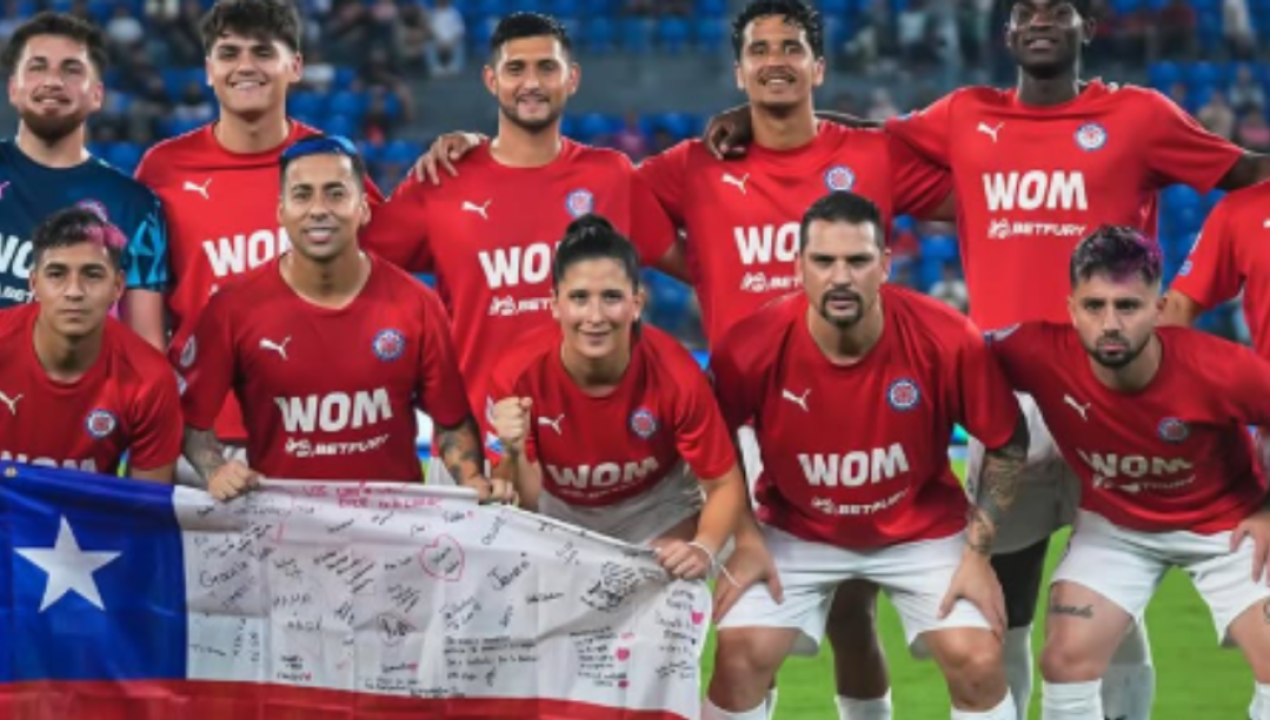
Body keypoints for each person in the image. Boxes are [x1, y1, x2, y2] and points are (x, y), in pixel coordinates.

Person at [700, 0, 1270, 715]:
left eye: (1057, 9)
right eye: (1025, 10)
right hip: (1007, 390)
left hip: (1110, 387)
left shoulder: (1140, 116)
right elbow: (863, 136)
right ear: (1007, 31)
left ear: (1087, 27)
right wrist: (753, 116)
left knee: (1110, 597)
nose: (1040, 19)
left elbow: (1245, 173)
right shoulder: (965, 114)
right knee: (1006, 599)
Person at [411, 4, 953, 712]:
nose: (776, 61)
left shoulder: (865, 158)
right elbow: (570, 200)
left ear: (818, 66)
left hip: (850, 410)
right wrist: (469, 150)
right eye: (760, 52)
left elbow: (972, 182)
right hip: (721, 421)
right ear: (739, 69)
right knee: (734, 633)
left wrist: (808, 115)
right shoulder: (689, 167)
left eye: (792, 50)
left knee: (846, 616)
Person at [705, 192, 1028, 720]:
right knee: (740, 657)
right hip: (796, 529)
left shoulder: (946, 337)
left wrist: (977, 556)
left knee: (977, 659)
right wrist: (745, 537)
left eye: (857, 260)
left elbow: (1007, 440)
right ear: (798, 267)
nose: (840, 277)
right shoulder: (750, 346)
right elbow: (710, 442)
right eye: (823, 261)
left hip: (922, 530)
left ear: (885, 265)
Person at [360, 12, 682, 485]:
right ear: (491, 80)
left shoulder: (611, 176)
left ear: (572, 79)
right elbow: (353, 253)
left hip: (597, 453)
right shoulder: (443, 180)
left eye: (547, 67)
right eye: (516, 69)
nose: (531, 83)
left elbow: (704, 265)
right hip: (474, 453)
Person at [987, 226, 1270, 720]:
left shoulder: (1222, 368)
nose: (1110, 323)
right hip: (1116, 529)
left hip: (1226, 527)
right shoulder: (1036, 351)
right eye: (1094, 306)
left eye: (1128, 306)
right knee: (1065, 658)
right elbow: (944, 357)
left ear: (1159, 310)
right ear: (1071, 308)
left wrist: (1267, 510)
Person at [134, 0, 385, 487]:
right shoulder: (161, 170)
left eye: (263, 52)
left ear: (296, 66)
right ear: (209, 70)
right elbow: (146, 314)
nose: (245, 66)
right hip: (202, 438)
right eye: (229, 53)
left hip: (322, 432)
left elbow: (393, 270)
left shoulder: (332, 165)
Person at [179, 136, 501, 503]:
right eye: (302, 195)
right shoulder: (232, 309)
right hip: (283, 525)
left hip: (393, 524)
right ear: (280, 212)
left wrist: (472, 479)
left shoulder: (417, 304)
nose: (319, 209)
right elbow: (190, 420)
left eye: (335, 194)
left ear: (363, 209)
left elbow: (451, 422)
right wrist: (215, 469)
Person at [489, 214, 749, 580]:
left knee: (685, 578)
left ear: (636, 303)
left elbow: (723, 484)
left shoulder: (677, 374)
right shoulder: (515, 373)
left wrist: (703, 547)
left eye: (611, 297)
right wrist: (512, 452)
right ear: (555, 304)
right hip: (559, 512)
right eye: (579, 298)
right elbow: (527, 503)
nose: (595, 316)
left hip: (657, 511)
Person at [0, 12, 168, 348]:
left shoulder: (135, 206)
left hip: (80, 382)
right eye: (37, 67)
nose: (53, 81)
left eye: (71, 69)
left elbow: (145, 347)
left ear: (97, 95)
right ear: (13, 89)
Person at [0, 207, 180, 482]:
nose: (74, 291)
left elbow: (146, 502)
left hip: (87, 512)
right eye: (57, 274)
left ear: (118, 287)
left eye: (92, 275)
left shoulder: (150, 378)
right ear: (34, 284)